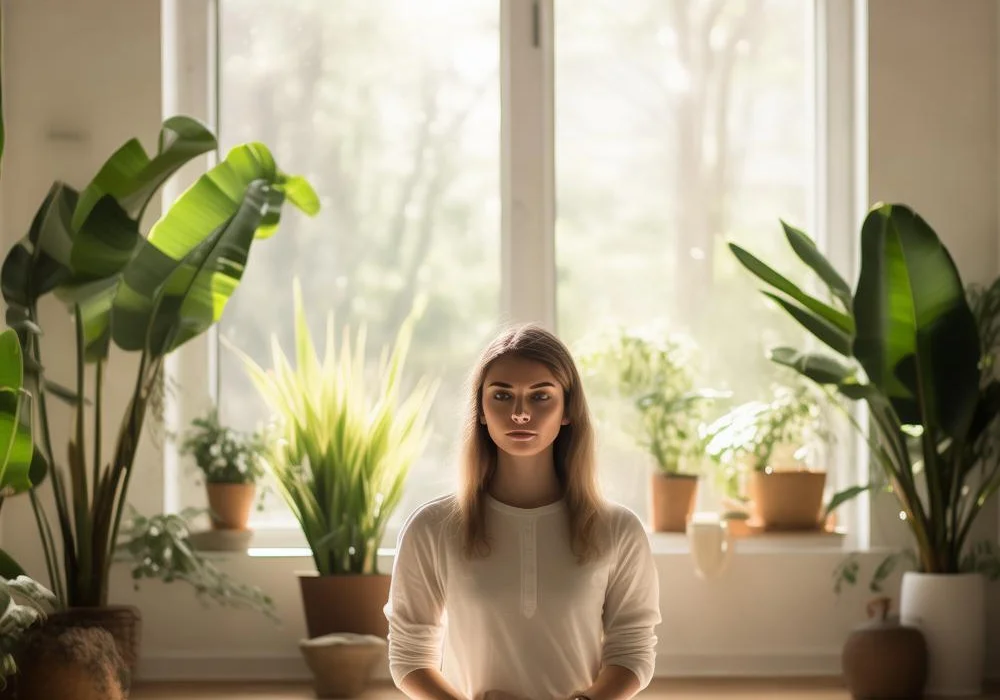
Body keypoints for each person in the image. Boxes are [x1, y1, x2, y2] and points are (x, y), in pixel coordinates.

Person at [384, 324, 661, 700]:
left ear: (568, 410)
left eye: (540, 396)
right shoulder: (432, 528)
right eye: (501, 395)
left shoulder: (618, 529)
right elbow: (408, 655)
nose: (519, 414)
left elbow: (633, 647)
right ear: (480, 410)